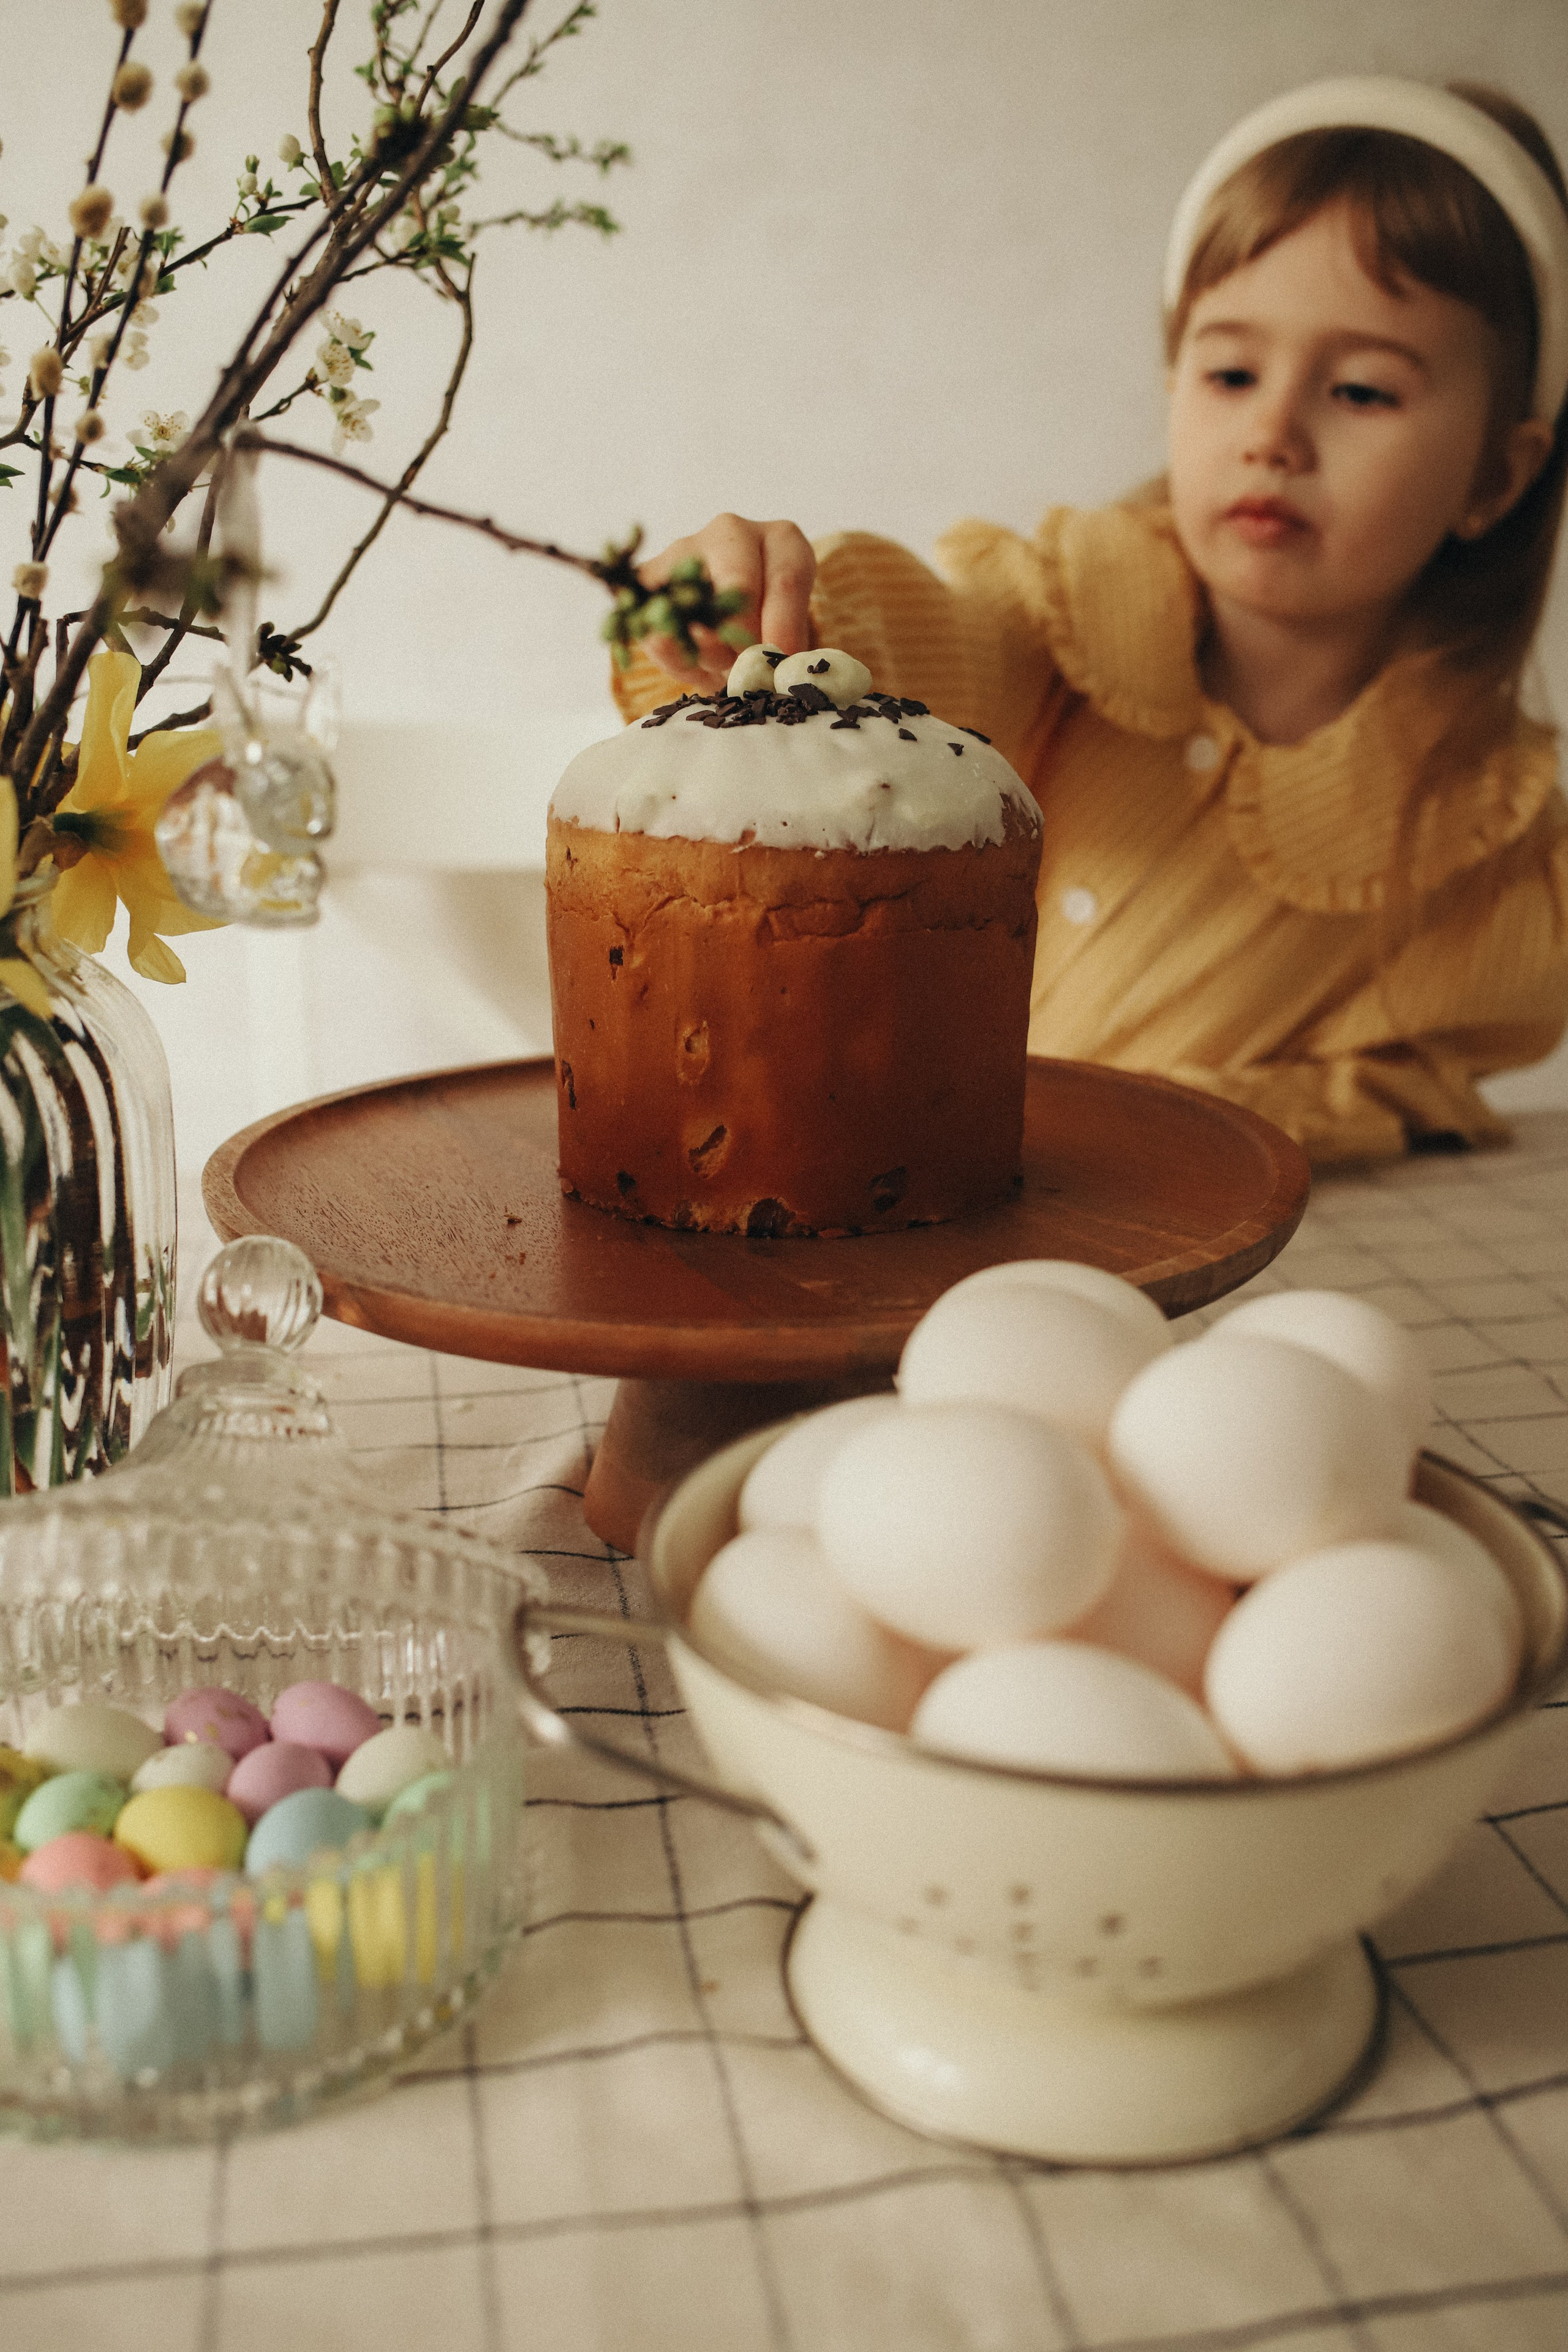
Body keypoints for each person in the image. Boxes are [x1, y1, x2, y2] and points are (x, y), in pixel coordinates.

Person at [611, 78, 1568, 1164]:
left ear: (1496, 473)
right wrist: (762, 606)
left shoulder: (1479, 830)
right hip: (876, 1207)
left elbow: (1417, 1078)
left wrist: (1261, 1121)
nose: (1272, 433)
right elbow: (923, 640)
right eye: (1232, 371)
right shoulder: (1068, 619)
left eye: (1361, 391)